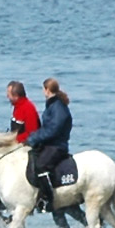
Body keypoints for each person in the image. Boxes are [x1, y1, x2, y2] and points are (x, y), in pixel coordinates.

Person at [22, 78, 72, 212]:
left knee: (41, 165)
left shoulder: (58, 107)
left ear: (47, 90)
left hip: (57, 146)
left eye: (43, 89)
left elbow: (52, 130)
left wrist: (33, 139)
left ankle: (47, 199)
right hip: (50, 144)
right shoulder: (52, 105)